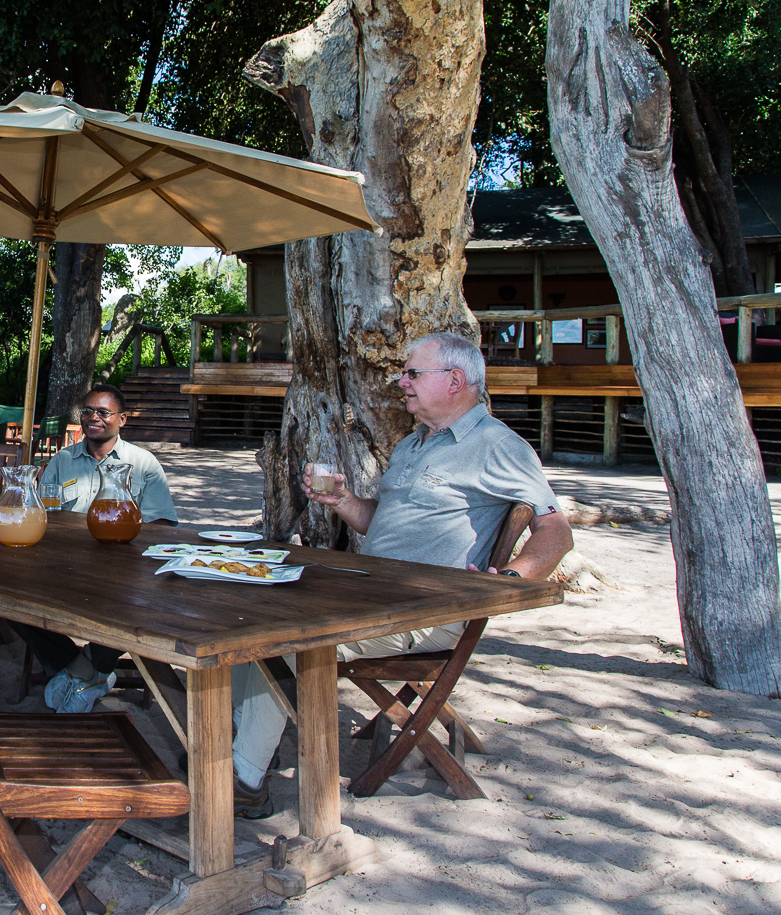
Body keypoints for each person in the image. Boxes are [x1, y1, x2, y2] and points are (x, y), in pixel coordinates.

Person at [229, 332, 574, 817]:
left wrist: (511, 581)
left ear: (455, 380)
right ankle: (239, 748)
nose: (401, 382)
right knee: (247, 614)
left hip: (423, 611)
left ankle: (243, 782)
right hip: (367, 593)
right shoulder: (414, 443)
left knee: (281, 639)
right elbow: (385, 524)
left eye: (412, 373)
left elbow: (557, 533)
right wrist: (344, 502)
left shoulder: (497, 445)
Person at [11, 382, 179, 714]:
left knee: (127, 605)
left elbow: (162, 526)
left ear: (122, 419)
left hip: (122, 572)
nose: (94, 418)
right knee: (9, 592)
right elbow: (43, 510)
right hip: (66, 565)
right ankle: (84, 670)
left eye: (103, 412)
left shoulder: (143, 464)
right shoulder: (63, 460)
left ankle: (90, 667)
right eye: (87, 411)